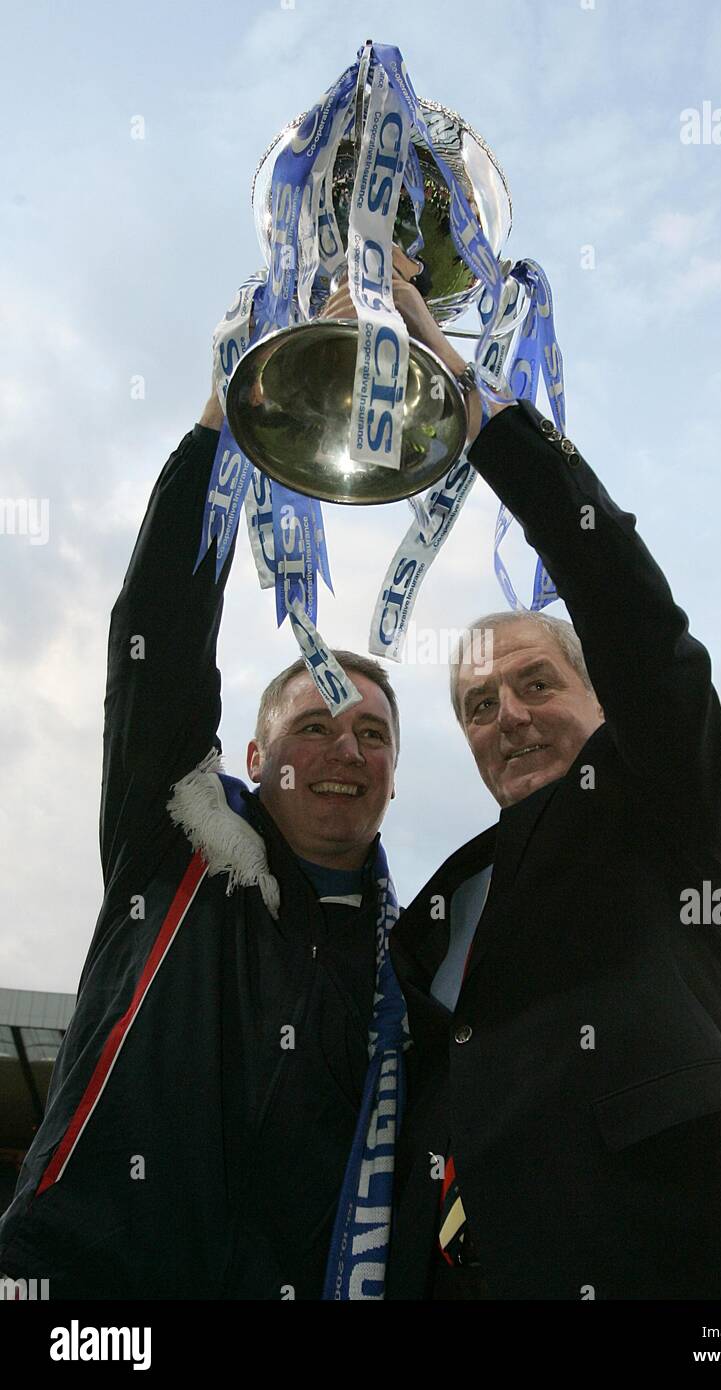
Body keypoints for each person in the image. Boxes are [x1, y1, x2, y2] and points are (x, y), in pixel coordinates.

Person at [373, 294, 721, 1300]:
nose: (504, 713)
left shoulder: (671, 803)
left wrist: (484, 421)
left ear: (600, 696)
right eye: (474, 703)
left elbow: (634, 615)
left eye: (535, 682)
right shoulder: (434, 914)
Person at [0, 361, 405, 1298]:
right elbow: (160, 634)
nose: (344, 749)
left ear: (394, 774)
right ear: (254, 762)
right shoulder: (174, 840)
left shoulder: (408, 973)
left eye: (371, 734)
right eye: (313, 726)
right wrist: (219, 441)